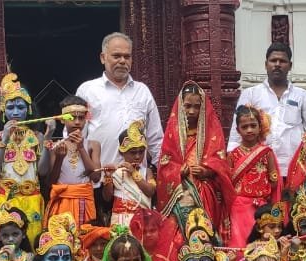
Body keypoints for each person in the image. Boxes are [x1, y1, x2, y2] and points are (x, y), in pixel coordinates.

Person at [227, 42, 306, 179]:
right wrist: (231, 160)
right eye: (273, 60)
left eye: (282, 61)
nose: (277, 64)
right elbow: (237, 132)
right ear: (266, 64)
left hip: (294, 167)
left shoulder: (302, 96)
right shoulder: (251, 94)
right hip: (258, 167)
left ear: (290, 65)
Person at [157, 83, 234, 245]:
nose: (192, 111)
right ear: (180, 106)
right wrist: (178, 171)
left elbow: (220, 162)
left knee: (203, 233)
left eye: (197, 107)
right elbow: (165, 164)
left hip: (204, 191)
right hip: (180, 192)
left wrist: (207, 171)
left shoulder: (212, 132)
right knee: (178, 237)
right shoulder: (173, 133)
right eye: (187, 106)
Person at [77, 32, 164, 170]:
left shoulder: (142, 91)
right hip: (100, 176)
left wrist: (164, 173)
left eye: (127, 56)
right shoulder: (87, 90)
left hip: (136, 178)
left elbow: (156, 139)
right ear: (103, 58)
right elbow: (76, 136)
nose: (122, 61)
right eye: (116, 56)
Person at [0, 74, 51, 245]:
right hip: (8, 199)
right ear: (4, 111)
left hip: (32, 198)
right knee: (8, 242)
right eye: (10, 107)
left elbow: (43, 172)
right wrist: (5, 139)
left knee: (31, 240)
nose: (16, 112)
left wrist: (47, 138)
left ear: (29, 109)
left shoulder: (37, 136)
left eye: (20, 107)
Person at [227, 105, 281, 248]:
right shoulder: (233, 155)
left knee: (260, 242)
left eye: (253, 125)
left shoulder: (266, 152)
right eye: (244, 127)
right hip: (238, 207)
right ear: (238, 130)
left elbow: (274, 180)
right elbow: (228, 183)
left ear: (260, 127)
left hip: (261, 208)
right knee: (240, 242)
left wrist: (262, 194)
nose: (249, 130)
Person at [48, 96, 102, 227]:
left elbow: (96, 177)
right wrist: (59, 158)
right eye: (72, 118)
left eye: (81, 118)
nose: (77, 122)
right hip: (62, 202)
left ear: (86, 119)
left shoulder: (93, 145)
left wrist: (81, 148)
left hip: (84, 201)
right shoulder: (55, 146)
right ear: (63, 119)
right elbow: (51, 181)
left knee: (84, 235)